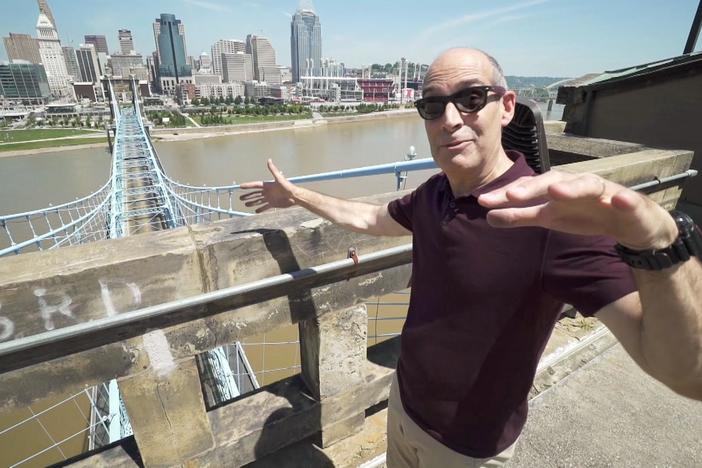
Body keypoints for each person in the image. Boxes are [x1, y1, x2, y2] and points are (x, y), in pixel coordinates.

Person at [239, 48, 702, 467]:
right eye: (433, 105)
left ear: (506, 107)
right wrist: (295, 195)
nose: (451, 119)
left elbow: (686, 373)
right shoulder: (434, 194)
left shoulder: (548, 218)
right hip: (403, 406)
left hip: (468, 449)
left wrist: (663, 244)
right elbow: (368, 217)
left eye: (471, 98)